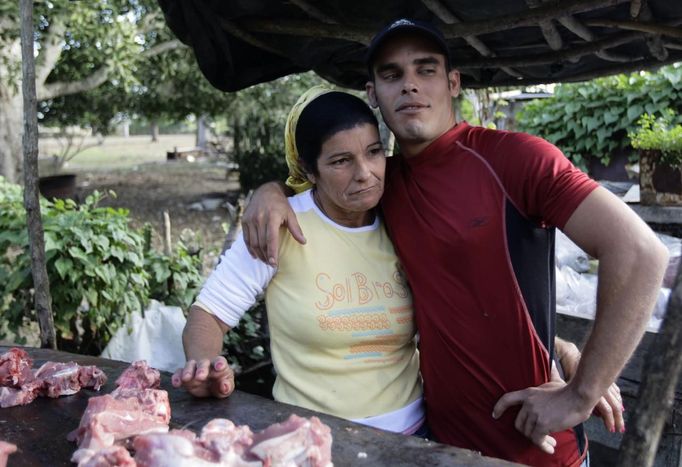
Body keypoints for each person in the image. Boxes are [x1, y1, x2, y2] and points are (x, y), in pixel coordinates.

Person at [240, 19, 669, 467]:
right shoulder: (381, 184)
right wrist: (270, 190)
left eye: (425, 70)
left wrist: (582, 392)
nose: (409, 86)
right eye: (392, 75)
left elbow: (640, 253)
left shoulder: (515, 159)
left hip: (535, 449)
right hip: (438, 446)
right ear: (373, 94)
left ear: (453, 83)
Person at [173, 87, 428, 436]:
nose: (365, 173)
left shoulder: (405, 214)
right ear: (309, 170)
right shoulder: (279, 225)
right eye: (341, 161)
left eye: (373, 152)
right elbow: (208, 316)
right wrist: (204, 367)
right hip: (311, 439)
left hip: (413, 439)